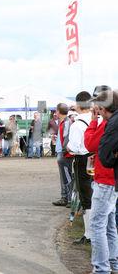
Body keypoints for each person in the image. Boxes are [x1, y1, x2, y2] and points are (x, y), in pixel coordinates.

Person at [85, 91, 118, 274]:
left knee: (97, 225)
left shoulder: (107, 123)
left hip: (105, 179)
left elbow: (89, 144)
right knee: (109, 225)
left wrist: (93, 121)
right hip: (112, 180)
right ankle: (113, 264)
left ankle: (101, 268)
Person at [67, 91, 93, 244]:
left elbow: (73, 147)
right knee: (95, 193)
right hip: (96, 158)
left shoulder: (77, 124)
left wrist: (69, 147)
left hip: (83, 160)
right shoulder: (97, 119)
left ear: (78, 105)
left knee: (85, 196)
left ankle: (89, 234)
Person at [52, 103, 74, 207]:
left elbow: (66, 138)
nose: (55, 112)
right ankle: (65, 197)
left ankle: (68, 199)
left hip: (64, 153)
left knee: (66, 176)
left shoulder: (66, 123)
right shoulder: (64, 122)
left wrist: (64, 151)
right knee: (64, 176)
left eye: (56, 110)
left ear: (58, 111)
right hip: (63, 152)